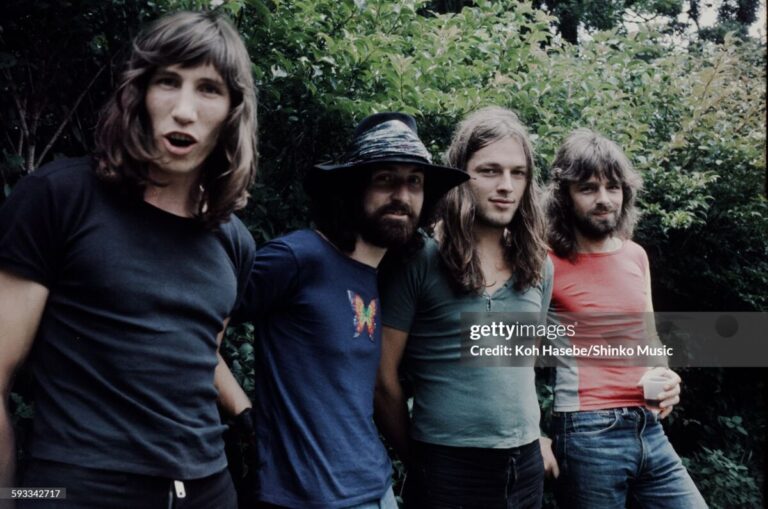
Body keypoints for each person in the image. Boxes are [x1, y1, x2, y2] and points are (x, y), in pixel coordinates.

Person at [0, 11, 257, 508]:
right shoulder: (58, 198)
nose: (184, 110)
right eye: (168, 82)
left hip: (208, 490)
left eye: (208, 89)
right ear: (139, 93)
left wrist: (244, 412)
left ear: (231, 111)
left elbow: (199, 358)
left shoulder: (234, 241)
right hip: (73, 489)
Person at [232, 112, 468, 508]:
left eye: (414, 182)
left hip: (376, 489)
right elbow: (199, 322)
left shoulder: (379, 275)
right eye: (385, 179)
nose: (402, 195)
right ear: (354, 189)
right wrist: (242, 413)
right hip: (304, 496)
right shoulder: (298, 257)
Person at [375, 106, 557, 509]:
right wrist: (419, 459)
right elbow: (382, 377)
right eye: (490, 171)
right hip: (447, 465)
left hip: (525, 465)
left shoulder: (539, 266)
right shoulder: (419, 259)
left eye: (518, 173)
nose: (506, 185)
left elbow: (519, 366)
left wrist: (534, 434)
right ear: (461, 176)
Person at [544, 128, 706, 508]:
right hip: (586, 431)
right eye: (588, 188)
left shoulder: (636, 255)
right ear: (565, 196)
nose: (604, 200)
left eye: (613, 187)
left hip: (648, 426)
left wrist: (667, 380)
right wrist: (533, 434)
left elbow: (650, 340)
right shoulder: (543, 261)